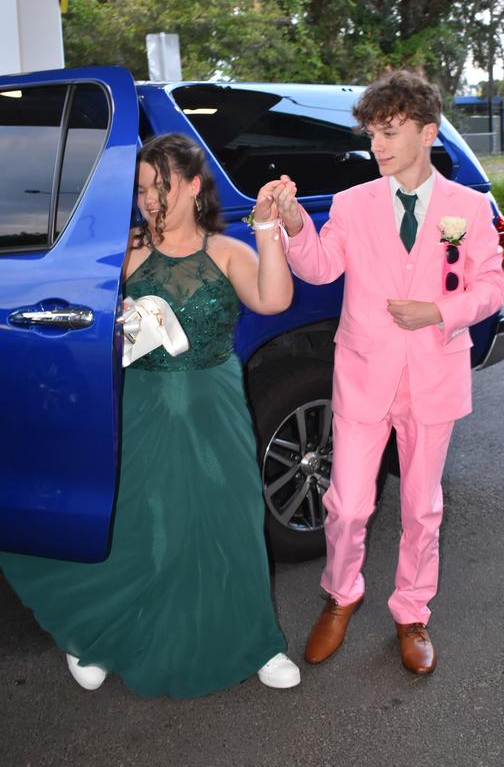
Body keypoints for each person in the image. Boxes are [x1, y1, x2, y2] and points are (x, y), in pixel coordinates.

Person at [0, 133, 301, 696]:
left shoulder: (226, 249)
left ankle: (259, 641)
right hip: (140, 401)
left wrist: (267, 228)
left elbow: (274, 300)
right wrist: (112, 316)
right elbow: (71, 313)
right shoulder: (126, 251)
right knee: (145, 522)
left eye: (162, 187)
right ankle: (92, 630)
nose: (151, 200)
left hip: (213, 399)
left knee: (230, 516)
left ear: (192, 186)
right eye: (141, 190)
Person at [268, 70, 504, 675]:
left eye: (391, 131)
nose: (377, 144)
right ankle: (341, 595)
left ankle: (412, 612)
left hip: (433, 376)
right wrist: (295, 222)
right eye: (373, 132)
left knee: (422, 506)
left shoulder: (469, 207)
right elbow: (320, 269)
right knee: (348, 504)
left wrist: (440, 311)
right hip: (363, 374)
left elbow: (490, 285)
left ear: (428, 133)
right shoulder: (352, 204)